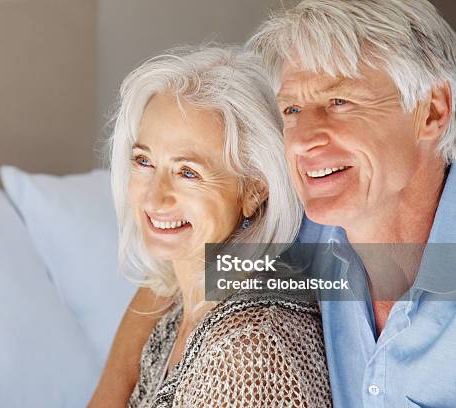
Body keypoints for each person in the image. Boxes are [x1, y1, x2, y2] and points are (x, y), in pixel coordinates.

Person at [90, 1, 456, 407]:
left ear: (432, 111)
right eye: (293, 110)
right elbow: (182, 265)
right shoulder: (311, 230)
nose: (302, 139)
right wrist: (109, 394)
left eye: (340, 102)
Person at [90, 45, 331, 407]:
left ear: (254, 189)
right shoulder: (182, 295)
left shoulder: (250, 353)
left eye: (188, 172)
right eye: (144, 161)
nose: (155, 198)